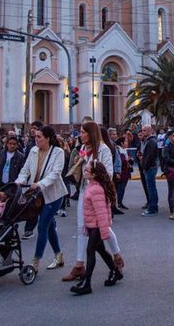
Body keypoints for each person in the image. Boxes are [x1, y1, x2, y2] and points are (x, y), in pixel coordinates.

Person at [62, 121, 124, 282]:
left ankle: (116, 256)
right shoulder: (84, 149)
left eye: (83, 132)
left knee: (103, 226)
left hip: (97, 194)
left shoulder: (103, 150)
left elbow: (108, 173)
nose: (80, 135)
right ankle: (79, 265)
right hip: (84, 191)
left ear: (91, 133)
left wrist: (93, 177)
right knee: (81, 227)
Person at [17, 125, 67, 271]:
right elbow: (25, 170)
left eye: (39, 137)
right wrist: (19, 181)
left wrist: (39, 184)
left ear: (48, 139)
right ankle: (58, 255)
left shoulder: (58, 152)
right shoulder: (33, 151)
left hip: (53, 195)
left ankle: (35, 261)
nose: (36, 139)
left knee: (42, 226)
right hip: (37, 195)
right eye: (35, 136)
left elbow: (56, 174)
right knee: (49, 226)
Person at [70, 161, 122, 295]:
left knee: (90, 250)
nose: (84, 172)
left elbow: (102, 214)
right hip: (93, 225)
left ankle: (87, 283)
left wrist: (103, 232)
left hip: (97, 226)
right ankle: (115, 271)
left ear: (93, 174)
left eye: (87, 170)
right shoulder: (92, 186)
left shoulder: (96, 189)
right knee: (101, 250)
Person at [139, 125, 160, 216]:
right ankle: (153, 205)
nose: (142, 132)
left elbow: (149, 156)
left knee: (151, 188)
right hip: (150, 166)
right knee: (151, 187)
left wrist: (144, 166)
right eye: (142, 130)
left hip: (150, 167)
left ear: (149, 131)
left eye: (144, 130)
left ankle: (153, 207)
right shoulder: (148, 141)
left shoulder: (151, 142)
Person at [114, 134, 133, 211]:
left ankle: (120, 202)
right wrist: (127, 160)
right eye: (125, 141)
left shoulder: (125, 151)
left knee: (122, 188)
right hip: (122, 172)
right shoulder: (119, 151)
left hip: (126, 172)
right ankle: (118, 202)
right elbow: (121, 161)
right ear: (121, 143)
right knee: (120, 188)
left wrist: (130, 160)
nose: (127, 143)